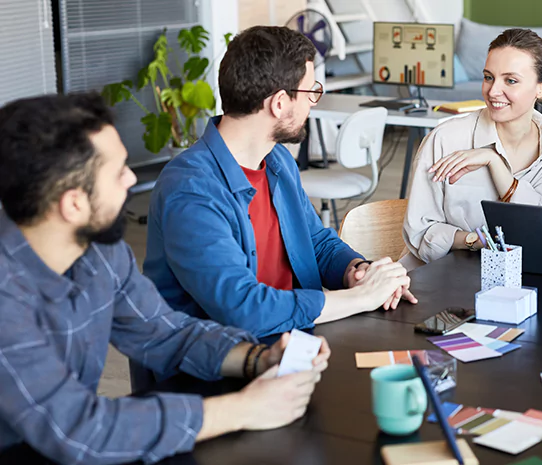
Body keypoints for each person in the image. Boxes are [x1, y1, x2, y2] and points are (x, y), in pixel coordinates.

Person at [0, 93, 331, 464]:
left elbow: (163, 332)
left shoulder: (100, 252)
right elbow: (79, 429)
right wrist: (242, 409)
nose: (130, 179)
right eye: (118, 170)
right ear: (73, 204)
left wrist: (257, 359)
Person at [144, 26, 416, 339]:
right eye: (311, 91)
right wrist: (361, 298)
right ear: (279, 103)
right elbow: (243, 308)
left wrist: (356, 271)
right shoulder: (190, 188)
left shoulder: (277, 161)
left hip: (292, 340)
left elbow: (315, 242)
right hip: (227, 366)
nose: (313, 102)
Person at [402, 28, 542, 268]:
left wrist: (493, 161)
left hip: (525, 275)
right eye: (488, 77)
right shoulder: (445, 139)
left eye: (511, 80)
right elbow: (421, 233)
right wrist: (477, 240)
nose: (493, 91)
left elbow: (539, 229)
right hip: (441, 275)